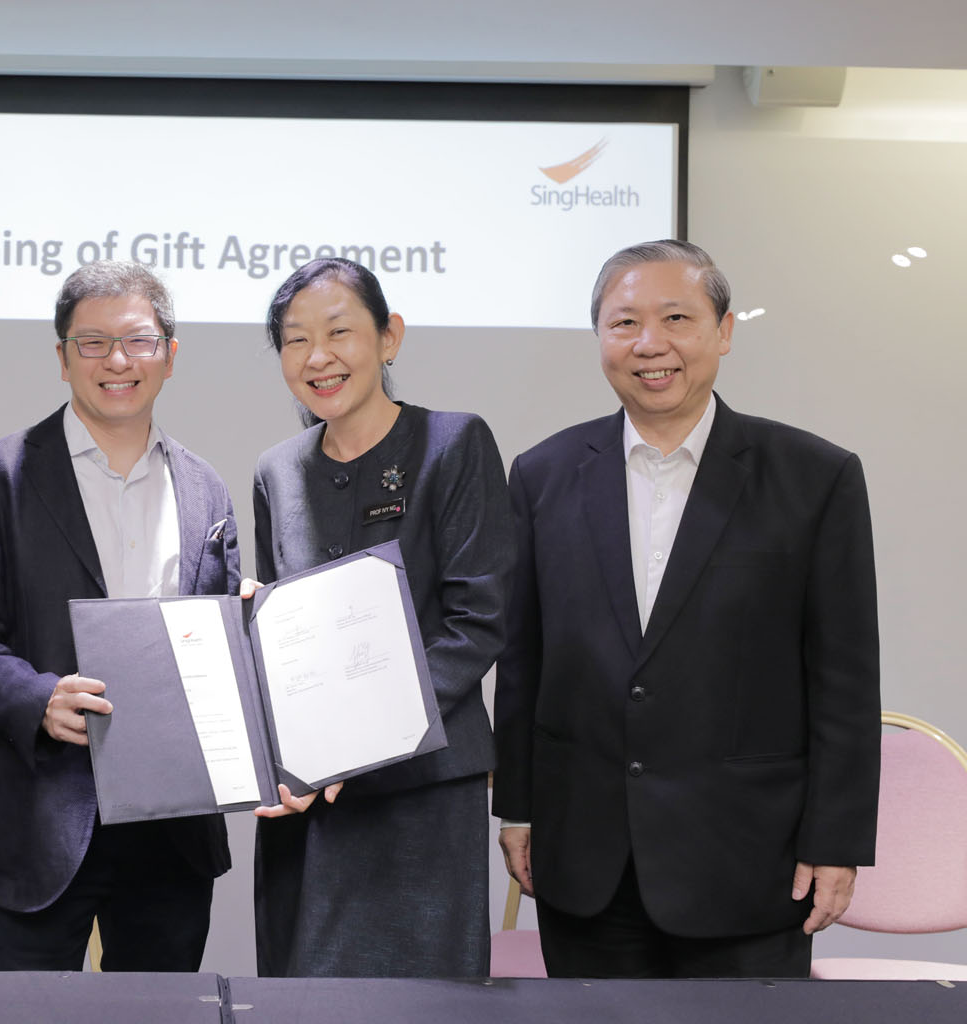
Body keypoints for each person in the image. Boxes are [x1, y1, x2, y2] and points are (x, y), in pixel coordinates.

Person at [492, 239, 880, 978]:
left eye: (676, 318)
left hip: (748, 863)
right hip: (584, 861)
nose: (650, 344)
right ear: (599, 338)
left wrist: (836, 841)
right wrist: (519, 809)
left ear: (724, 332)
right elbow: (524, 659)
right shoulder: (542, 475)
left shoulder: (815, 478)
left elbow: (845, 680)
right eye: (624, 322)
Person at [0, 260, 237, 971]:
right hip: (36, 816)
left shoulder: (205, 489)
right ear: (62, 359)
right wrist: (37, 698)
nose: (117, 361)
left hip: (172, 829)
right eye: (92, 343)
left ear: (170, 354)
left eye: (137, 341)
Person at [249, 257, 514, 978]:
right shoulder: (277, 469)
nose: (318, 357)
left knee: (421, 1002)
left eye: (340, 332)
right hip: (313, 803)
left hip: (422, 795)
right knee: (304, 997)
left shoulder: (454, 443)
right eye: (296, 340)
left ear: (389, 337)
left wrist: (355, 735)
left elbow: (477, 619)